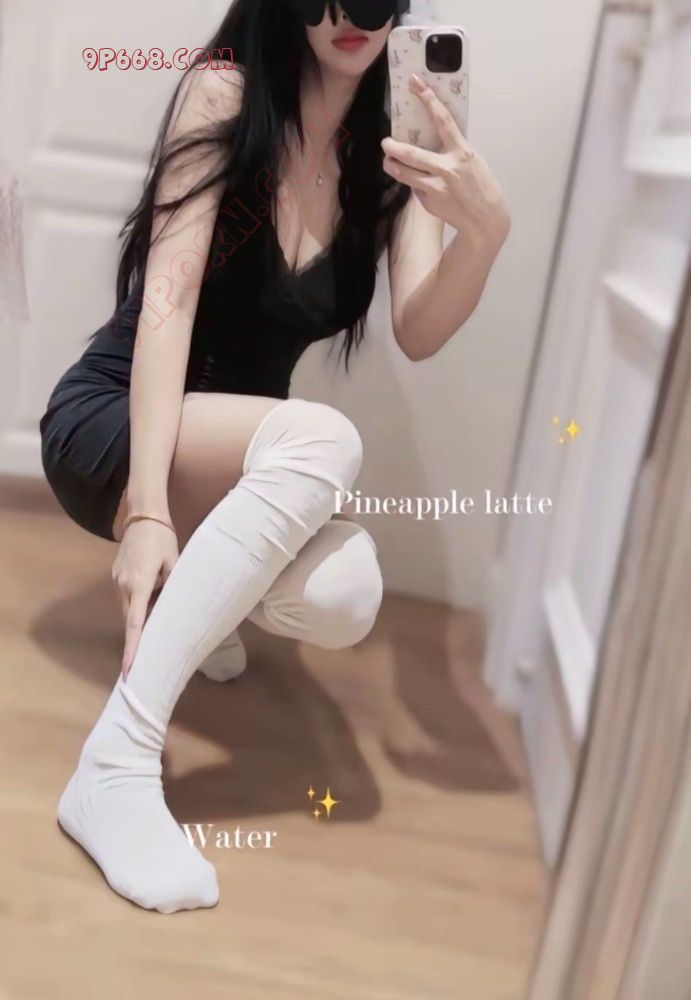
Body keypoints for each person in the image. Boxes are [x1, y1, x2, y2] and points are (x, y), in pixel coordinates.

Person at [38, 0, 510, 913]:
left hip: (243, 460)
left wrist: (483, 235)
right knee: (324, 438)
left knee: (346, 595)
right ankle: (116, 763)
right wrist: (147, 509)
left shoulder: (390, 145)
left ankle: (200, 597)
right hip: (118, 420)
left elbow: (419, 330)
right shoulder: (226, 93)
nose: (346, 15)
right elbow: (167, 304)